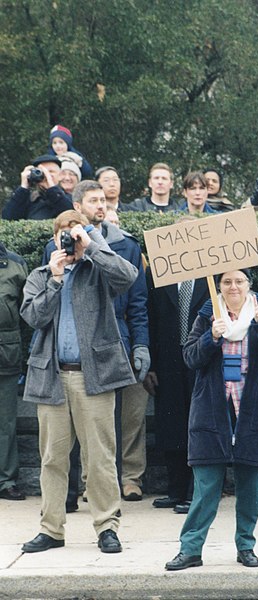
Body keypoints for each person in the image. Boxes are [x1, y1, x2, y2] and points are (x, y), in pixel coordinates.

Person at [21, 210, 138, 553]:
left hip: (94, 376)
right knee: (52, 459)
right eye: (64, 235)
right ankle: (51, 529)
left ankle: (106, 526)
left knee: (100, 457)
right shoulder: (41, 276)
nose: (69, 241)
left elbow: (128, 276)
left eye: (74, 234)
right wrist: (55, 280)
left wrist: (93, 245)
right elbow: (33, 316)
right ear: (54, 239)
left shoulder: (97, 271)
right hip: (52, 377)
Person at [164, 270, 258, 571]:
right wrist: (212, 337)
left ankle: (246, 546)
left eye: (239, 281)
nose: (233, 287)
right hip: (213, 409)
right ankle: (190, 549)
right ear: (219, 287)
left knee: (249, 486)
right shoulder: (207, 314)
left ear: (248, 286)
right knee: (206, 486)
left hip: (253, 408)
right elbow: (191, 358)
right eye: (227, 282)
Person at [42, 181, 150, 506]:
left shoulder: (115, 247)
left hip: (108, 347)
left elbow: (132, 290)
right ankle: (66, 503)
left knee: (104, 444)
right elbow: (39, 310)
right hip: (65, 358)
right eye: (93, 200)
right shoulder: (52, 255)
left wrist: (92, 244)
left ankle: (106, 513)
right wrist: (58, 270)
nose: (101, 205)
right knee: (60, 448)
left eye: (104, 200)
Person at [145, 253, 210, 512]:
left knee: (201, 424)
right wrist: (149, 365)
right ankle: (176, 490)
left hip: (202, 359)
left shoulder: (213, 275)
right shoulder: (158, 274)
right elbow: (149, 318)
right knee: (171, 425)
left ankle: (197, 493)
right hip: (168, 361)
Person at [0, 241, 28, 501]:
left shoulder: (16, 263)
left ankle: (6, 480)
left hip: (6, 351)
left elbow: (28, 311)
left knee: (6, 421)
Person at [2, 154, 73, 220]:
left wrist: (52, 189)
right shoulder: (29, 199)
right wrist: (23, 187)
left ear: (60, 176)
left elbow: (71, 216)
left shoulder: (70, 198)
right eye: (42, 172)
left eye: (51, 171)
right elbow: (7, 218)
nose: (46, 175)